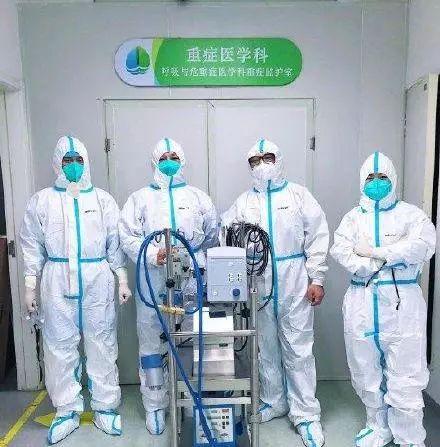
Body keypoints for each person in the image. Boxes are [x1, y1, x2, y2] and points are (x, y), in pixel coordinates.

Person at [20, 136, 131, 444]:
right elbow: (31, 245)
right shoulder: (42, 201)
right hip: (56, 279)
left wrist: (122, 279)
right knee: (59, 345)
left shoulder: (102, 200)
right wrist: (30, 286)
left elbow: (115, 244)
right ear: (57, 163)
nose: (73, 166)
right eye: (67, 160)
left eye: (78, 160)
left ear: (87, 161)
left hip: (97, 277)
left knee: (102, 342)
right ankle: (66, 410)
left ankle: (105, 407)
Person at [222, 139, 329, 447]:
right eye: (255, 160)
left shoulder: (298, 196)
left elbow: (318, 236)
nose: (262, 165)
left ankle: (306, 414)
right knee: (265, 346)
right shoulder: (244, 202)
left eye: (268, 157)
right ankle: (274, 400)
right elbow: (225, 233)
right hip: (259, 282)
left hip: (295, 280)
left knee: (298, 348)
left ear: (279, 159)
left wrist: (317, 278)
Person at [330, 151, 435, 447]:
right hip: (361, 301)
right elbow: (341, 251)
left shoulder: (411, 215)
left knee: (406, 374)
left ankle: (409, 437)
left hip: (401, 303)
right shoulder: (352, 218)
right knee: (364, 369)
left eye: (382, 177)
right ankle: (378, 427)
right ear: (361, 181)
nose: (376, 182)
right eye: (370, 177)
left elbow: (422, 246)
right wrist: (375, 263)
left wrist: (376, 252)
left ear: (394, 179)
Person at [119, 137, 218, 435]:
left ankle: (189, 399)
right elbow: (128, 237)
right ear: (154, 162)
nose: (169, 162)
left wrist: (192, 258)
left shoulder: (198, 197)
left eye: (174, 156)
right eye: (163, 157)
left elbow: (212, 233)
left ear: (183, 160)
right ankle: (155, 405)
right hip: (152, 279)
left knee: (191, 338)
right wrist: (154, 254)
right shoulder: (139, 199)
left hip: (190, 278)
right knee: (152, 342)